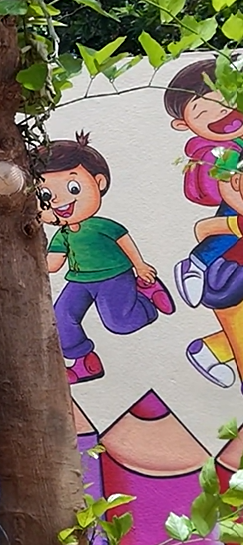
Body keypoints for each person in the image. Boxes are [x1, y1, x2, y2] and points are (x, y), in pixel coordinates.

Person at [40, 132, 173, 385]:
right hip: (80, 281)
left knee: (120, 323)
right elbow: (54, 264)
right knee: (61, 317)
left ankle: (145, 296)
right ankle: (84, 363)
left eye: (73, 188)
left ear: (98, 182)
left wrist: (140, 266)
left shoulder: (100, 225)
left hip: (115, 276)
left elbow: (123, 239)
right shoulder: (63, 235)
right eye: (45, 195)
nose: (57, 200)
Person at [163, 58, 243, 387]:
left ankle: (209, 351)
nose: (221, 112)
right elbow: (229, 192)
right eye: (203, 109)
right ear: (183, 124)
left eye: (226, 99)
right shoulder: (220, 153)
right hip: (231, 267)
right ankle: (196, 263)